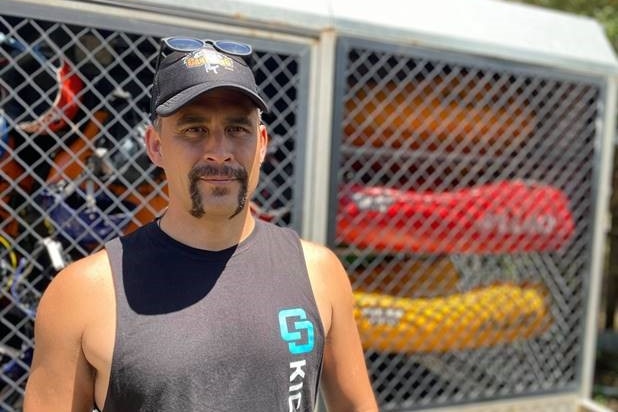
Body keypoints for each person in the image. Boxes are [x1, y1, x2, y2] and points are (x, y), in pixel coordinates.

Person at [23, 37, 378, 412]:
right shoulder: (82, 293)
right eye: (194, 130)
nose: (219, 151)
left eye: (237, 129)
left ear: (261, 144)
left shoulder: (318, 272)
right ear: (155, 146)